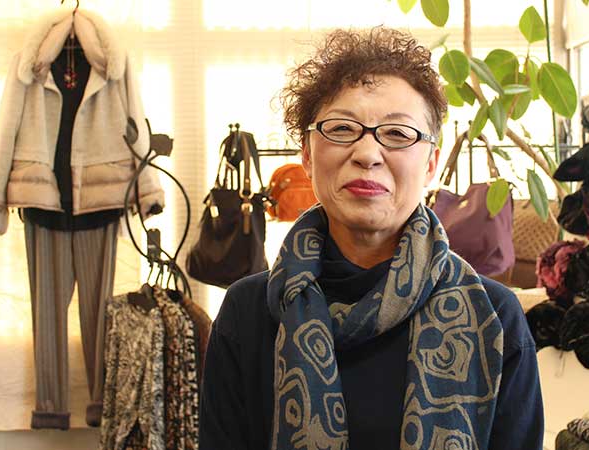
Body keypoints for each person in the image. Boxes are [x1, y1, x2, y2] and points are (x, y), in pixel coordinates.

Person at [199, 27, 543, 450]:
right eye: (342, 129)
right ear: (307, 154)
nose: (366, 153)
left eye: (398, 134)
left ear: (431, 163)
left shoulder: (495, 317)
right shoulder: (248, 314)